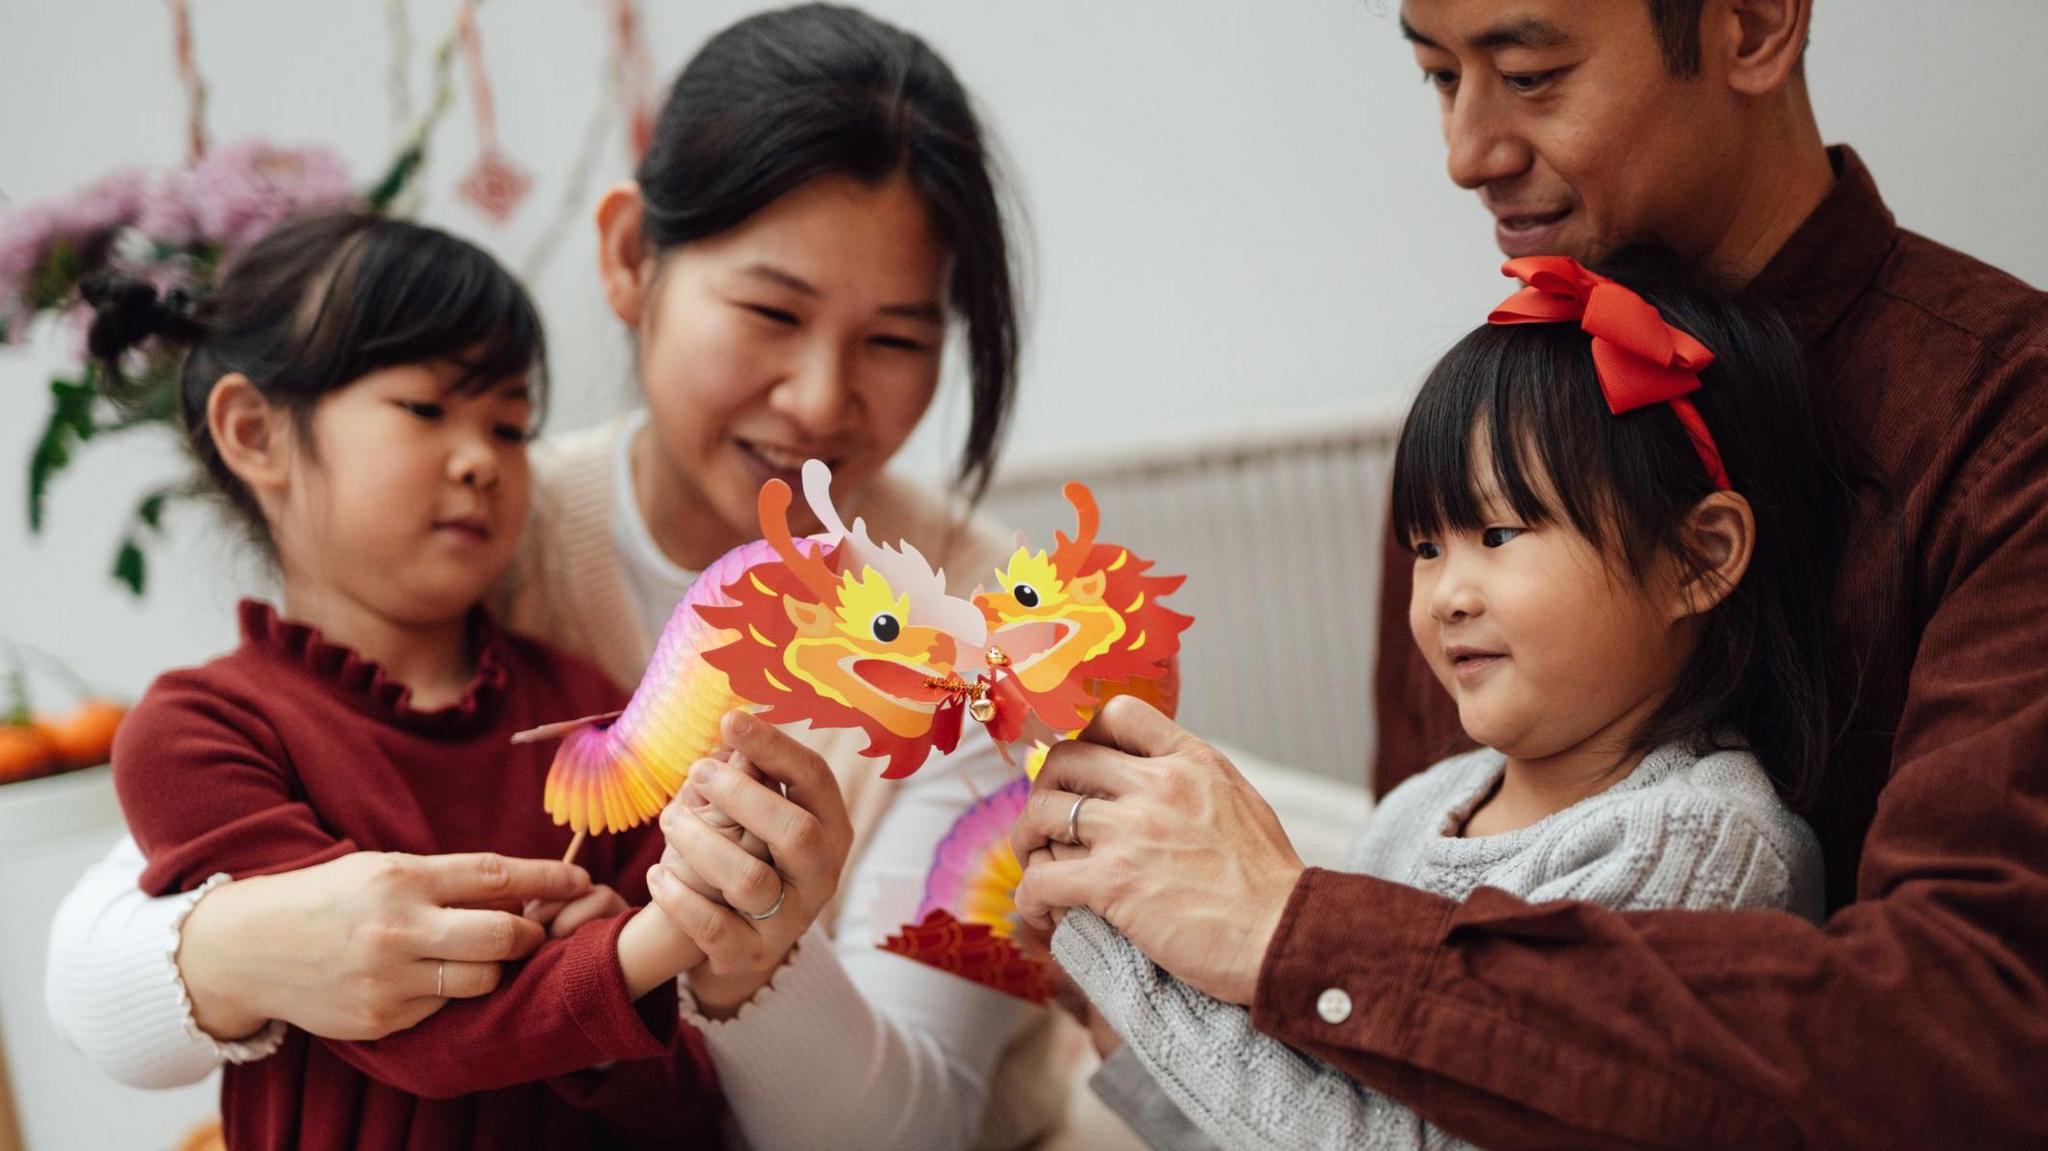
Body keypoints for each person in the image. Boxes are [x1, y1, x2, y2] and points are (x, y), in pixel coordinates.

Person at [1015, 1, 2048, 1146]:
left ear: (1751, 26)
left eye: (1529, 71)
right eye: (1435, 77)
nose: (1465, 154)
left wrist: (1284, 927)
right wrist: (1146, 971)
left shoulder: (2003, 430)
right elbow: (1360, 1065)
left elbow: (1971, 1027)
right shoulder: (1483, 441)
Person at [51, 6, 1064, 1149]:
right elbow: (95, 977)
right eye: (771, 311)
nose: (822, 397)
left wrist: (734, 956)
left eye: (893, 338)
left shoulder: (988, 643)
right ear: (631, 258)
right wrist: (246, 945)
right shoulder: (465, 534)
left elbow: (912, 1129)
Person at [1045, 252, 1848, 1148]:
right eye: (1426, 546)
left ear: (1699, 556)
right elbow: (1289, 1110)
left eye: (1498, 532)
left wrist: (1132, 976)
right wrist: (1115, 1011)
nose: (1444, 595)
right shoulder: (1417, 812)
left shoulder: (1705, 842)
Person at [87, 210, 726, 1149]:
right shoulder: (198, 731)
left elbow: (684, 1103)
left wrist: (624, 988)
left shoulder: (589, 710)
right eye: (427, 410)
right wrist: (652, 942)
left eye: (510, 425)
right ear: (255, 432)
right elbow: (404, 1021)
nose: (481, 461)